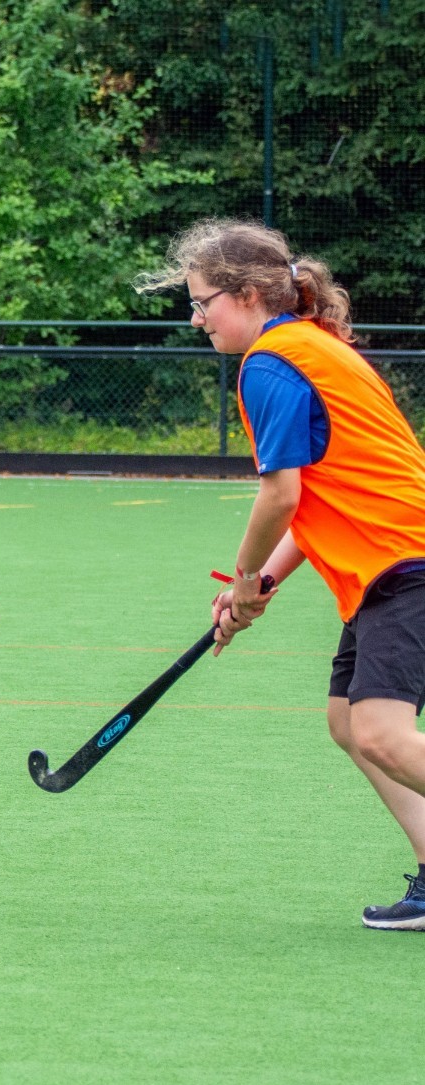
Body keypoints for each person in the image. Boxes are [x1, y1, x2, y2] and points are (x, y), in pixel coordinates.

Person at [140, 219, 425, 931]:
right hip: (384, 563)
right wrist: (258, 585)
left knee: (382, 733)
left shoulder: (270, 363)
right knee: (348, 721)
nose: (197, 319)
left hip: (404, 559)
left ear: (245, 295)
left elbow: (281, 495)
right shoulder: (313, 347)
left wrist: (243, 578)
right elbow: (318, 501)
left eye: (202, 302)